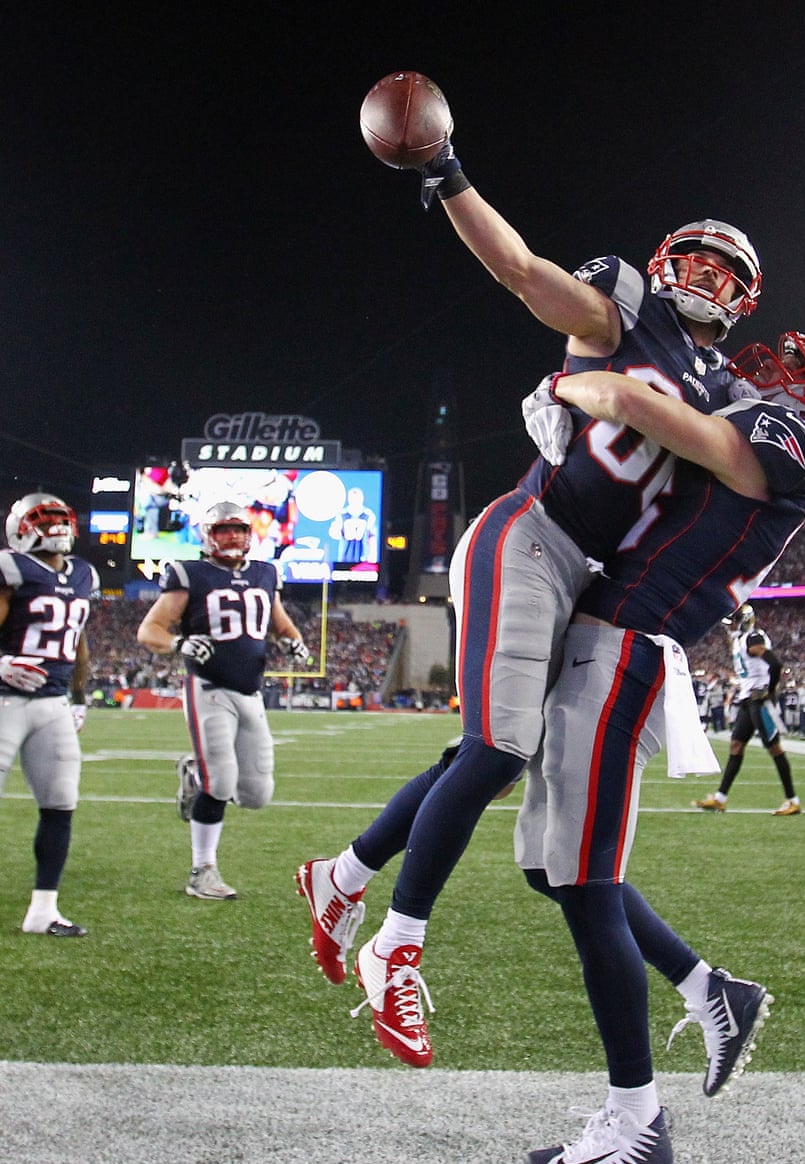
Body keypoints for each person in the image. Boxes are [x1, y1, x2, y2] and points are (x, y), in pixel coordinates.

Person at [299, 132, 763, 1067]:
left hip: (593, 583)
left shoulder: (741, 400)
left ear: (745, 295)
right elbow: (519, 269)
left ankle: (342, 874)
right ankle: (396, 942)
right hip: (531, 533)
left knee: (538, 816)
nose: (707, 278)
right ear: (668, 264)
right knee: (500, 748)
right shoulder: (624, 313)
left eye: (727, 270)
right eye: (697, 260)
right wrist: (448, 175)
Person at [514, 334, 805, 1164]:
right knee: (548, 868)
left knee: (586, 877)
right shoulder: (749, 421)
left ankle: (636, 1118)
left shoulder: (792, 440)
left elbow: (639, 407)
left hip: (627, 646)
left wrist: (567, 382)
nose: (775, 367)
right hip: (607, 642)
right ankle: (709, 988)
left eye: (798, 372)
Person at [136, 502, 309, 899]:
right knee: (221, 782)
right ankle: (202, 871)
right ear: (207, 535)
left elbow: (279, 621)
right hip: (209, 689)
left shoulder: (267, 572)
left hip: (251, 691)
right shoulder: (191, 573)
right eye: (224, 530)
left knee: (256, 794)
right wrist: (180, 643)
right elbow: (150, 630)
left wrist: (293, 641)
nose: (233, 537)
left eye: (239, 529)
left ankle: (195, 775)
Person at [0, 493, 98, 936]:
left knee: (60, 802)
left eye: (61, 520)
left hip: (53, 702)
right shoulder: (12, 568)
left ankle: (43, 910)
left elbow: (77, 643)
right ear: (22, 529)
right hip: (4, 699)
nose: (55, 529)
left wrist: (80, 696)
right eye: (45, 521)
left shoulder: (82, 574)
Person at [694, 606, 801, 815]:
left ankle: (792, 800)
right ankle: (720, 798)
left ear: (743, 622)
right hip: (747, 699)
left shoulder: (753, 638)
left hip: (758, 699)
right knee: (736, 746)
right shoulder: (740, 640)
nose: (730, 627)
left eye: (733, 622)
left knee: (774, 748)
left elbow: (775, 664)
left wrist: (770, 691)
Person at [328, 486, 378, 563]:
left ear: (362, 499)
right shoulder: (342, 514)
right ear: (349, 499)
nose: (355, 501)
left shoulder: (368, 515)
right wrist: (338, 530)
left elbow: (372, 537)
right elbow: (333, 533)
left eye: (357, 498)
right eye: (353, 498)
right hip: (345, 556)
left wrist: (373, 555)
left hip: (363, 556)